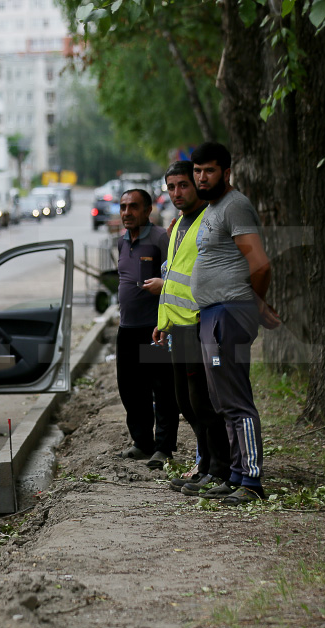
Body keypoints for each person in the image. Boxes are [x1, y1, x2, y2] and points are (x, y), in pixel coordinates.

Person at [189, 142, 280, 505]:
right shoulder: (213, 208)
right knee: (222, 399)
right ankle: (236, 475)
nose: (201, 177)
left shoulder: (235, 205)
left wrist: (254, 304)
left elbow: (260, 264)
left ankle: (252, 482)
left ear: (226, 173)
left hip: (229, 311)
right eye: (197, 171)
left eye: (209, 171)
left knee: (236, 400)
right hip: (213, 313)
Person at [151, 162, 232, 496]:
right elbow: (173, 277)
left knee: (204, 402)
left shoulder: (208, 222)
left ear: (197, 183)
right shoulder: (178, 225)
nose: (176, 193)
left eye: (183, 185)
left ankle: (220, 470)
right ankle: (204, 466)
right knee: (186, 401)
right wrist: (164, 323)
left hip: (202, 324)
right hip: (179, 327)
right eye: (171, 187)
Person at [114, 188, 178, 469]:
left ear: (148, 210)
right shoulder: (121, 242)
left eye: (133, 207)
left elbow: (175, 277)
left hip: (154, 328)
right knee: (130, 388)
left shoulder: (161, 238)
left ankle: (163, 448)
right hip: (127, 328)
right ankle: (142, 443)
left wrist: (167, 323)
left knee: (162, 390)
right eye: (123, 207)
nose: (127, 212)